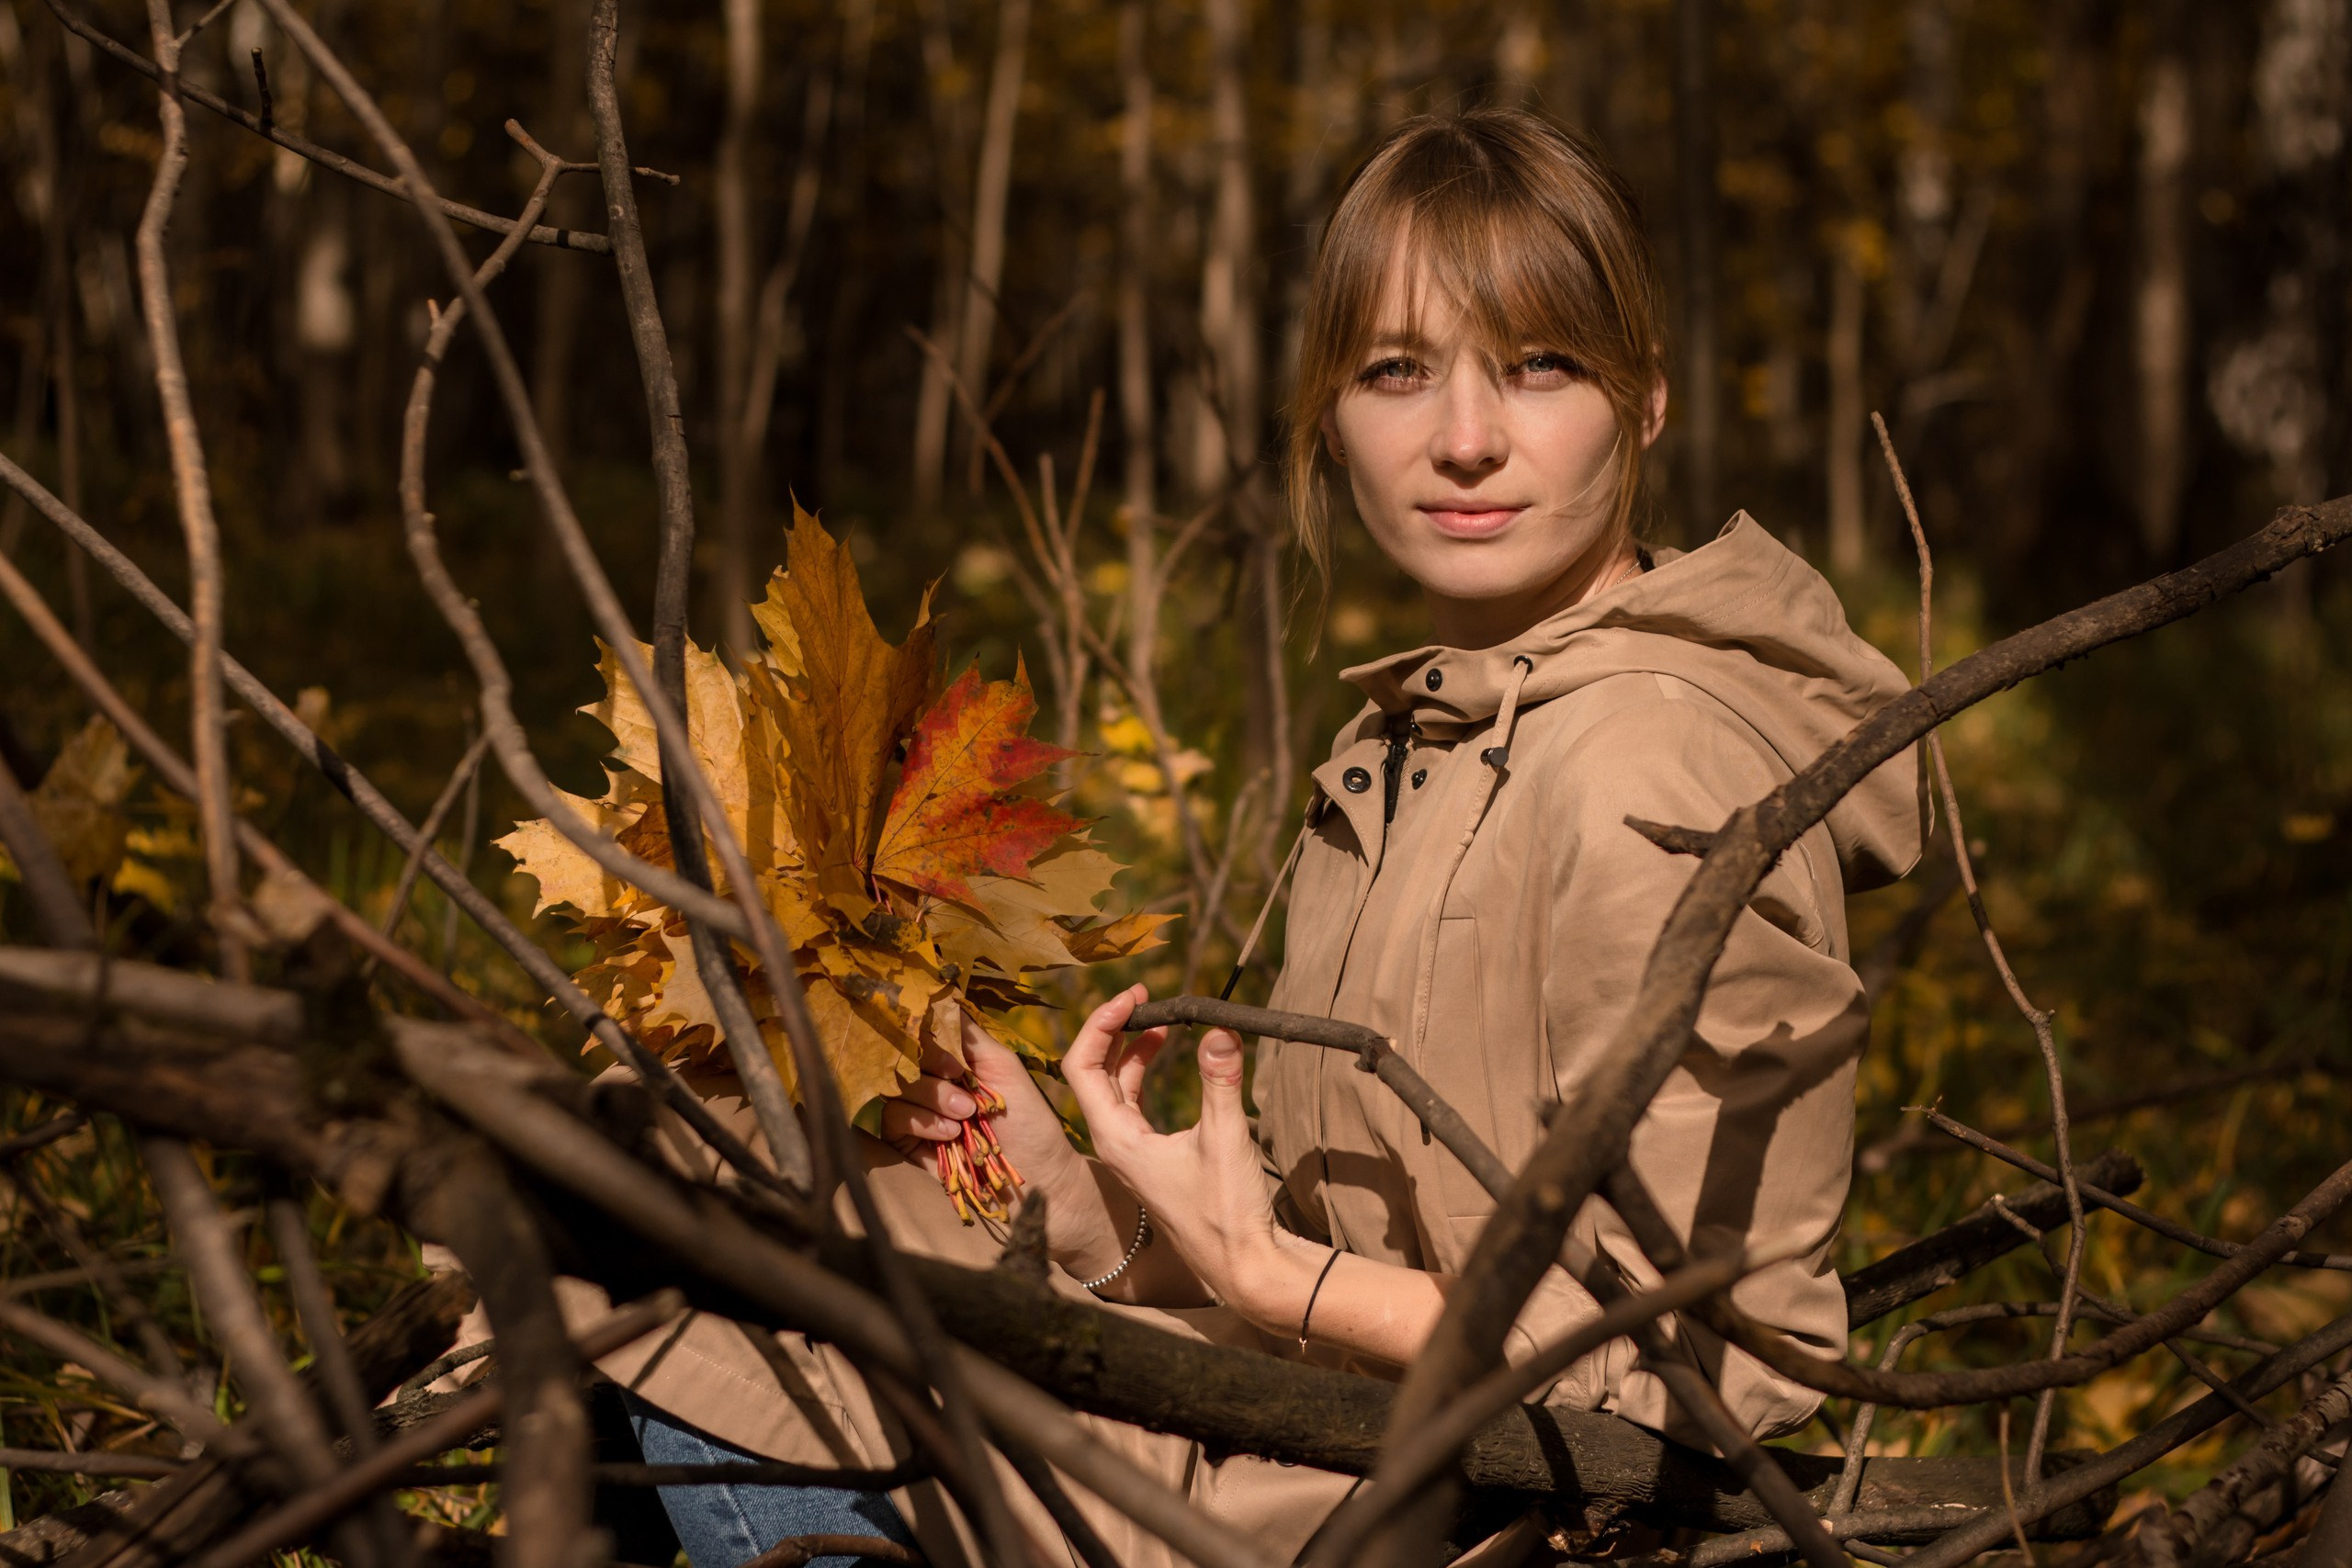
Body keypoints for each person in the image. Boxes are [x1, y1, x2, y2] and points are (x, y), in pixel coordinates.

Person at [613, 106, 1921, 1567]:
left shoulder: (1646, 757)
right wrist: (1083, 1201)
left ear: (1648, 404)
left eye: (1541, 366)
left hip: (1437, 1521)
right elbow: (1352, 1262)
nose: (1469, 440)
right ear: (1329, 415)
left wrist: (1264, 1272)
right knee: (707, 1152)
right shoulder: (1416, 741)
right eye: (1397, 372)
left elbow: (1709, 1377)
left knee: (681, 1260)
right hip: (1321, 1438)